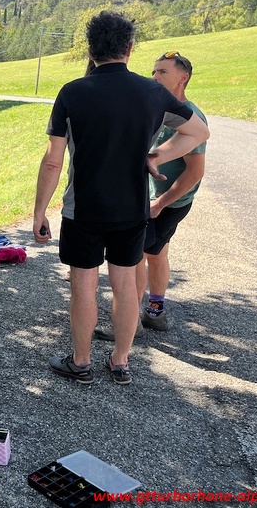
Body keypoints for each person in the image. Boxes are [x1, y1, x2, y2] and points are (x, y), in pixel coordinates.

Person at [32, 11, 210, 386]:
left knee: (83, 285)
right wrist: (156, 155)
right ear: (129, 49)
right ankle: (120, 361)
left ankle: (80, 362)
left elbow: (52, 160)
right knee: (126, 284)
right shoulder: (153, 92)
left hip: (83, 209)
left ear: (91, 50)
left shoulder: (72, 92)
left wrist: (39, 212)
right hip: (132, 209)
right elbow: (198, 132)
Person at [94, 51, 207, 340]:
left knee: (134, 257)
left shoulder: (189, 116)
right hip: (151, 200)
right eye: (154, 71)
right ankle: (155, 313)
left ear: (183, 78)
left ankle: (129, 322)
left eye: (163, 72)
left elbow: (195, 172)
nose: (155, 77)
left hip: (167, 202)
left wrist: (160, 203)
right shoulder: (158, 108)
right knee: (157, 253)